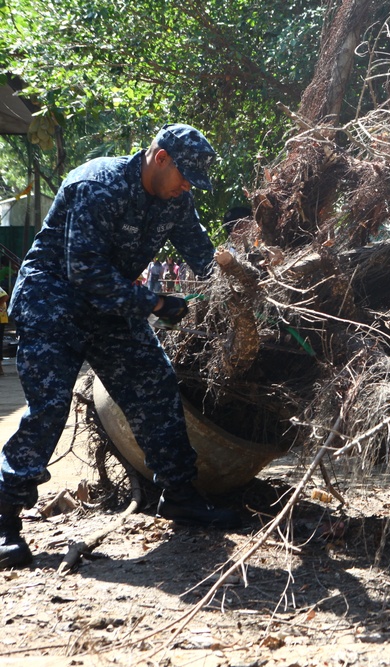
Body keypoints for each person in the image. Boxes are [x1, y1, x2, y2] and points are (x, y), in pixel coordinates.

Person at [0, 123, 241, 570]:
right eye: (184, 174)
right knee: (48, 408)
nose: (187, 185)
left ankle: (180, 494)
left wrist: (243, 280)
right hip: (54, 299)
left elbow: (203, 255)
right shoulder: (98, 183)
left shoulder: (176, 200)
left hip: (113, 308)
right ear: (160, 157)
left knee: (156, 385)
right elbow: (85, 270)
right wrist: (156, 302)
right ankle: (4, 518)